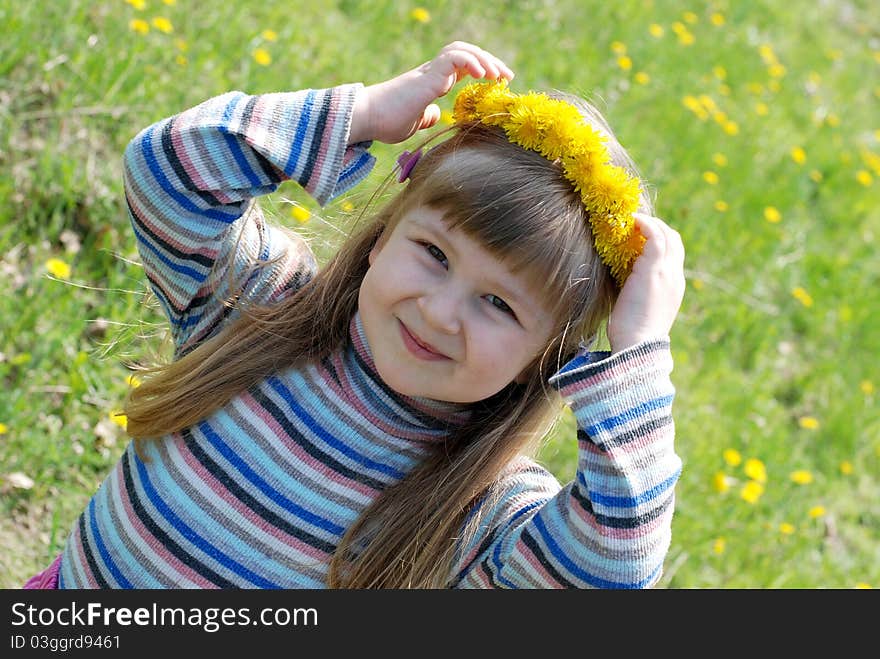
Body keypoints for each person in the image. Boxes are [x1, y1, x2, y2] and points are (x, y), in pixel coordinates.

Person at [25, 41, 685, 589]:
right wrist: (362, 113)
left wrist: (638, 352)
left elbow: (614, 566)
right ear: (384, 237)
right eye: (433, 252)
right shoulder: (259, 306)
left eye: (498, 303)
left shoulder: (482, 513)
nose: (438, 309)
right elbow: (166, 171)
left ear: (546, 356)